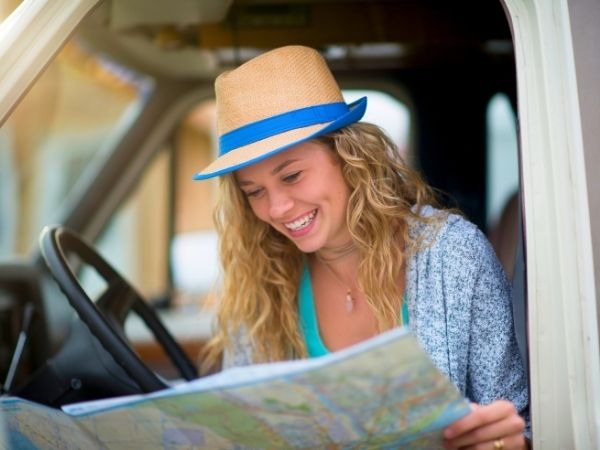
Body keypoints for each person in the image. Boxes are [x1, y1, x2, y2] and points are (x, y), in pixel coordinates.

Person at [194, 45, 530, 450]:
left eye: (293, 176)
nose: (277, 208)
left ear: (350, 156)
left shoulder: (451, 255)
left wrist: (505, 442)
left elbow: (521, 423)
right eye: (254, 192)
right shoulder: (261, 281)